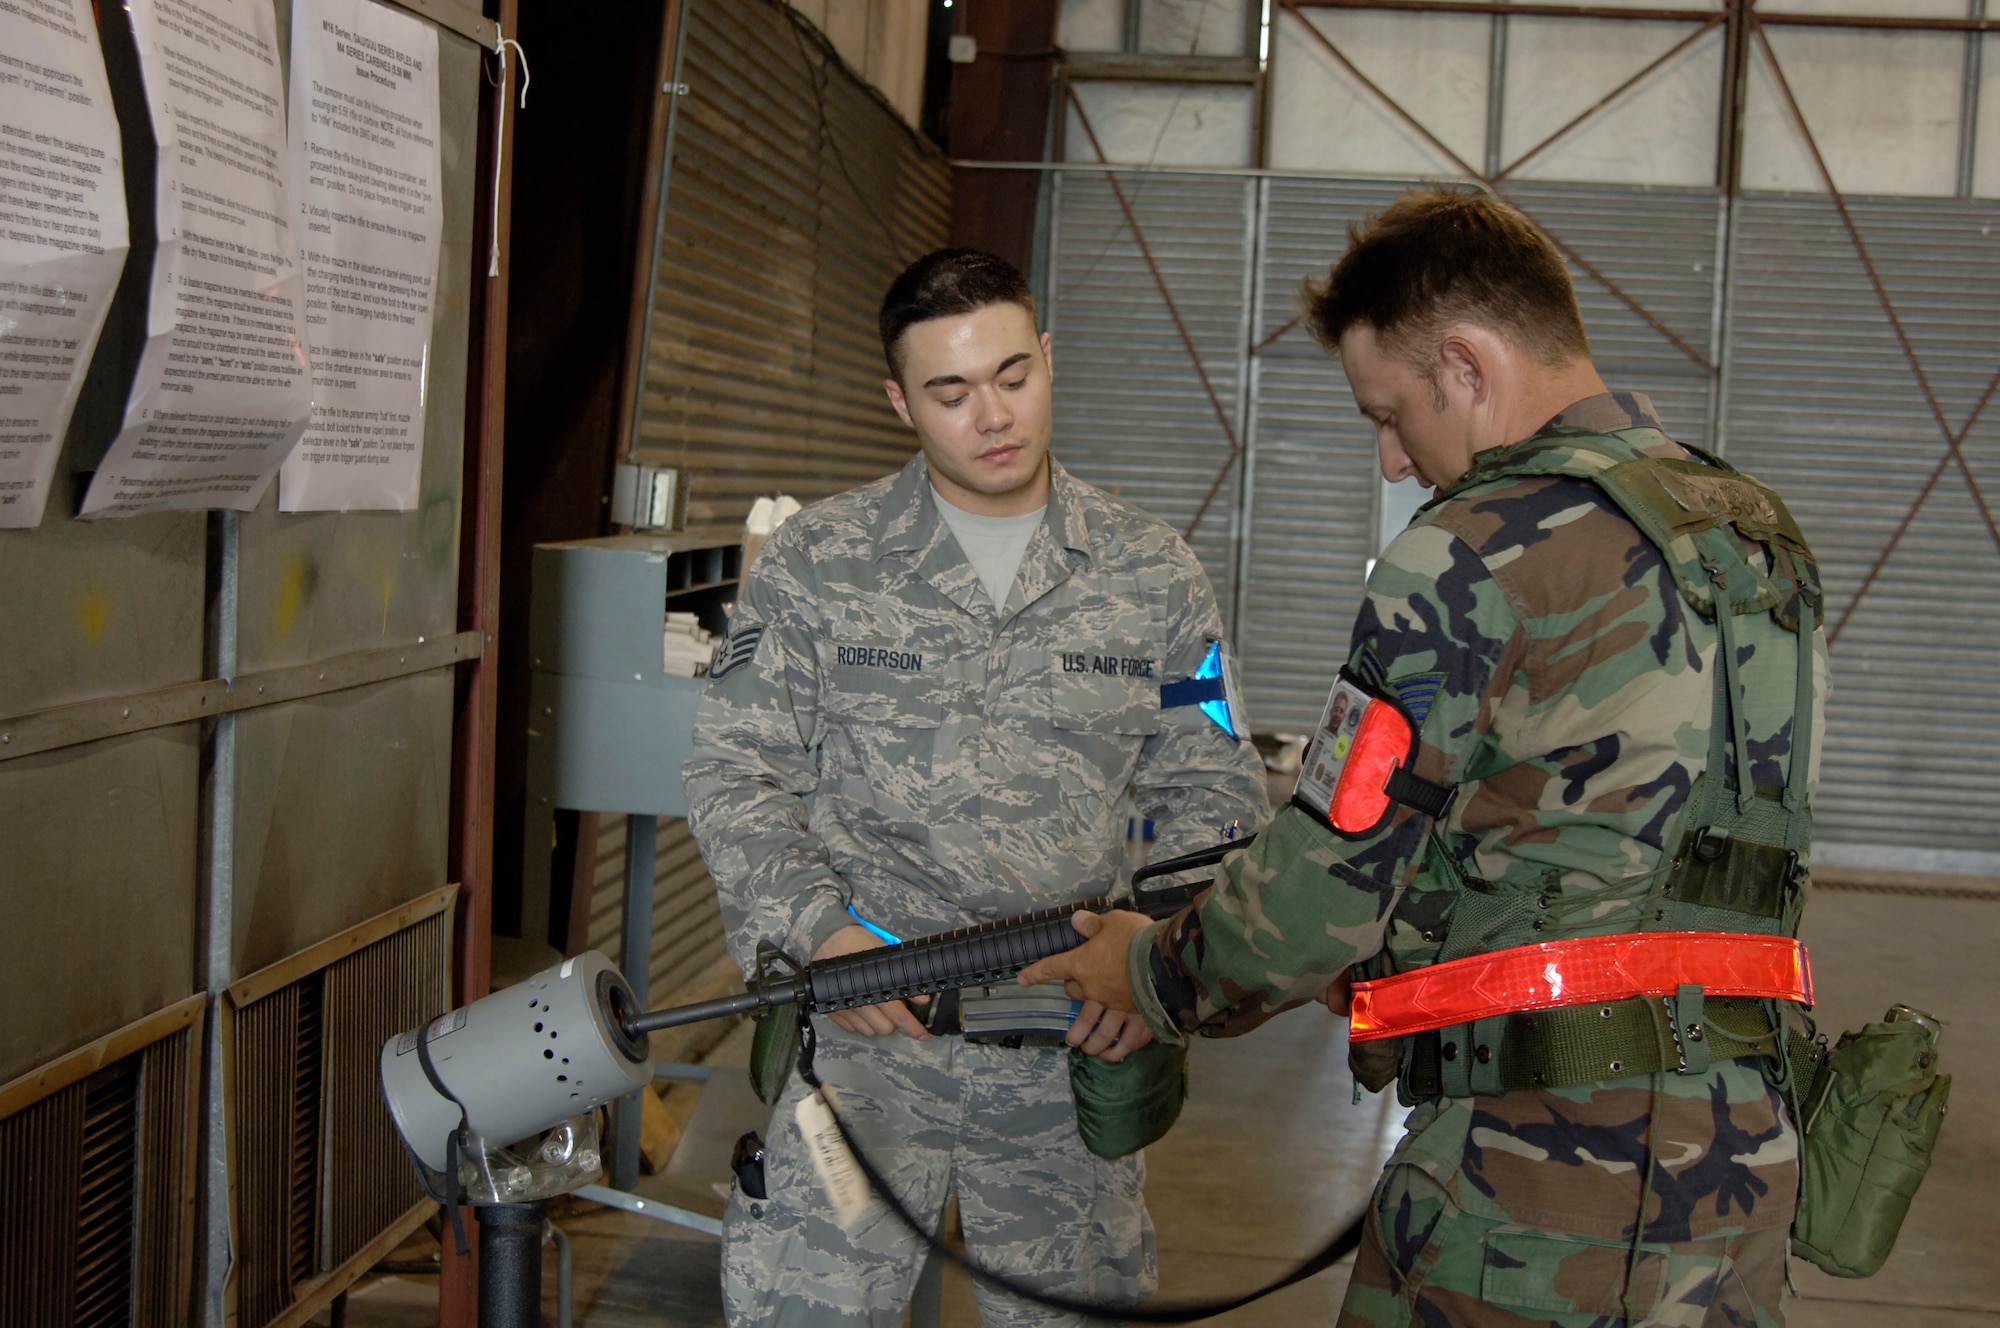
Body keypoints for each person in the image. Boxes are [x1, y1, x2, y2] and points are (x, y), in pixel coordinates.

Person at [1025, 189, 1827, 1327]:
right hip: (1744, 1166)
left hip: (1538, 1178)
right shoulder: (1752, 533)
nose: (1396, 459)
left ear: (1463, 364)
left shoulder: (1468, 551)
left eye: (1389, 412)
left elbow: (1321, 888)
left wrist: (1150, 971)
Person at [683, 248, 1270, 1327]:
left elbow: (1214, 787)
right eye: (950, 392)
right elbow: (736, 771)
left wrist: (1155, 955)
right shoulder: (820, 561)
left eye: (1012, 375)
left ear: (1047, 359)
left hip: (1068, 1042)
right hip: (865, 1052)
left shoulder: (1151, 572)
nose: (991, 415)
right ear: (898, 400)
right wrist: (820, 931)